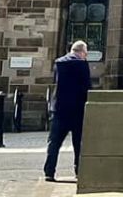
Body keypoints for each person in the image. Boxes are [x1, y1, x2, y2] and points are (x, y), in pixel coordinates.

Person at [44, 40, 91, 182]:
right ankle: (79, 171)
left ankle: (49, 172)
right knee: (79, 144)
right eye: (86, 53)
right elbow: (87, 87)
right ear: (82, 52)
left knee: (54, 143)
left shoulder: (59, 63)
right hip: (77, 110)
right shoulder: (82, 64)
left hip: (60, 109)